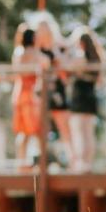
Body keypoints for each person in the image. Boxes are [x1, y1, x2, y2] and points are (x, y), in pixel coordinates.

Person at [31, 14, 72, 167]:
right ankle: (40, 159)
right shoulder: (35, 50)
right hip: (41, 91)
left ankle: (71, 159)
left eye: (45, 29)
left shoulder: (59, 48)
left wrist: (55, 53)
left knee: (64, 125)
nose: (43, 33)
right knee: (41, 127)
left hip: (58, 90)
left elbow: (65, 66)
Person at [66, 28, 104, 173]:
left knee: (79, 132)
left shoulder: (80, 56)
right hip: (91, 97)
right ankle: (88, 163)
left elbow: (68, 67)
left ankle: (81, 164)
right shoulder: (97, 59)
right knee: (89, 132)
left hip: (79, 98)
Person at [11, 25, 43, 169]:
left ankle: (22, 163)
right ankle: (37, 162)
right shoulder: (32, 53)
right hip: (30, 95)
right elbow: (44, 64)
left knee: (24, 132)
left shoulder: (18, 52)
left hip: (19, 94)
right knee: (35, 129)